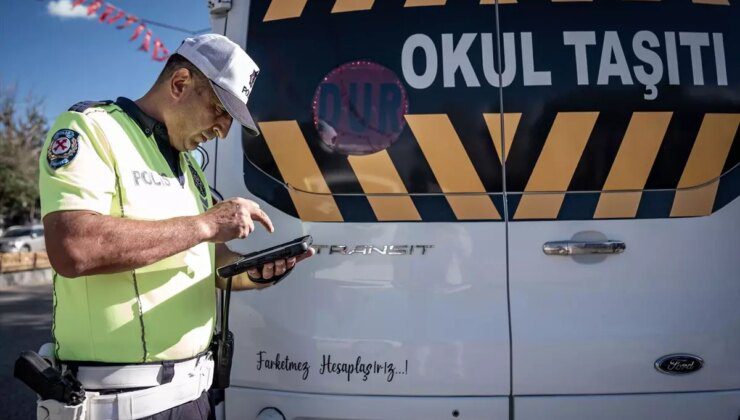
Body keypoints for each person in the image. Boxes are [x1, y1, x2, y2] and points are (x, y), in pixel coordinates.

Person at [38, 34, 313, 419]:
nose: (222, 131)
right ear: (180, 84)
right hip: (117, 403)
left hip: (192, 397)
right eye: (220, 111)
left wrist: (252, 273)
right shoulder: (91, 129)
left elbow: (211, 263)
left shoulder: (191, 169)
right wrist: (206, 223)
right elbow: (74, 248)